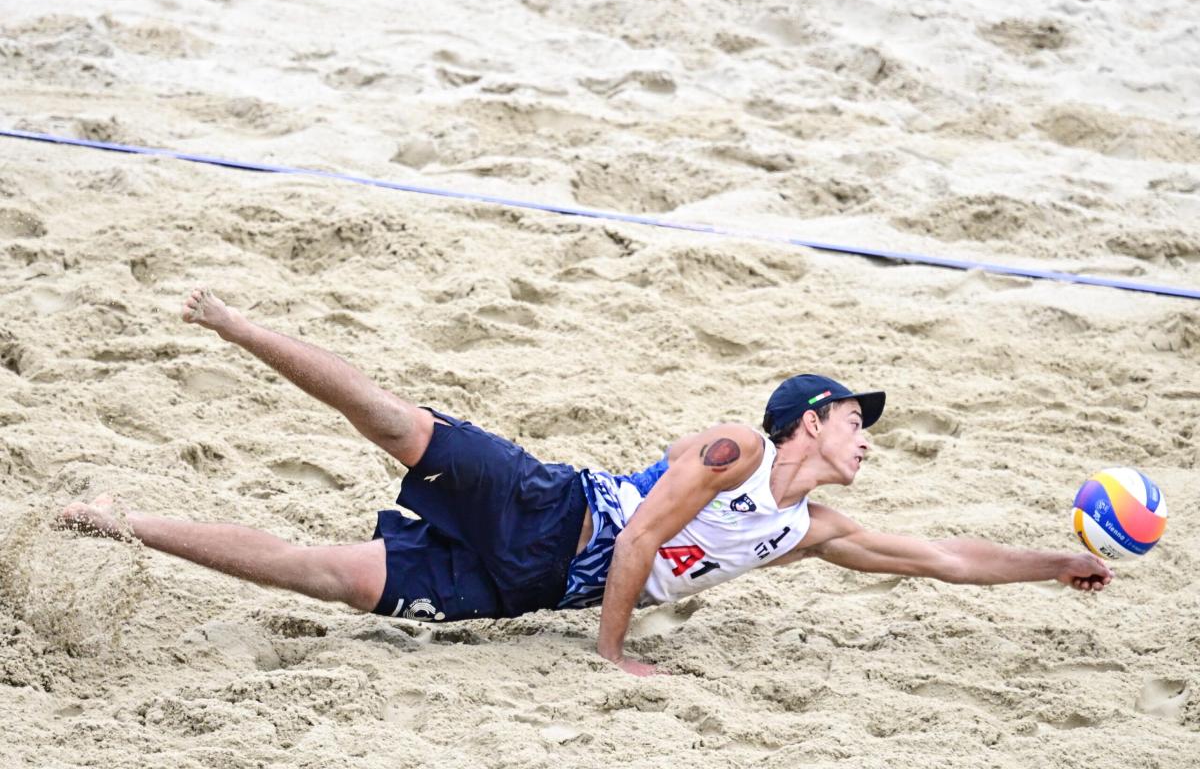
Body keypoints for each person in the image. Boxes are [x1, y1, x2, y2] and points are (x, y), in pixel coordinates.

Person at [59, 289, 1113, 676]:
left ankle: (126, 521)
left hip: (527, 588)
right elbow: (646, 536)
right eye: (853, 419)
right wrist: (613, 652)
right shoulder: (735, 450)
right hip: (545, 507)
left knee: (322, 576)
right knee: (386, 417)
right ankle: (234, 321)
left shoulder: (812, 527)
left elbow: (943, 558)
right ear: (806, 419)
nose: (865, 437)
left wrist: (1056, 559)